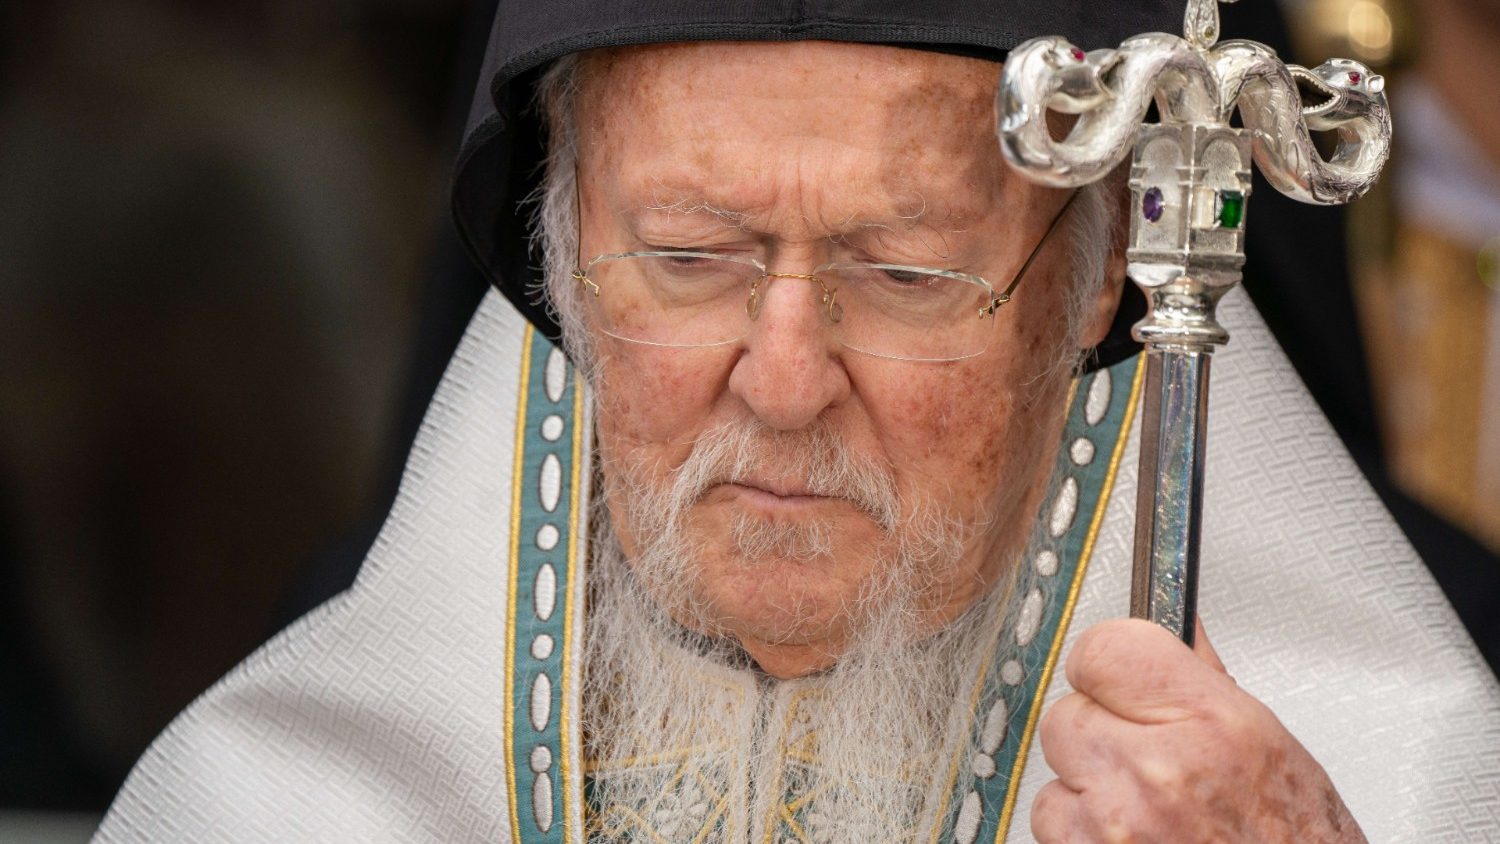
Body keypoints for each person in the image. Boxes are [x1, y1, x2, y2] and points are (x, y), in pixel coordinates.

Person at [95, 2, 1500, 842]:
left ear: (1093, 284)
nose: (781, 381)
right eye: (689, 256)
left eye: (904, 272)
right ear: (557, 250)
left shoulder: (1368, 777)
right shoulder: (298, 796)